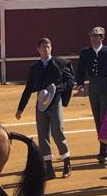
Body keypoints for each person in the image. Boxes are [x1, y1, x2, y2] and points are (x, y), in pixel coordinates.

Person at [16, 37, 75, 180]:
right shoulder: (35, 67)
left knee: (57, 132)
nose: (46, 49)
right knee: (42, 135)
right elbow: (29, 88)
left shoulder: (60, 63)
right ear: (38, 49)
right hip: (41, 103)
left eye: (48, 47)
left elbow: (70, 82)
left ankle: (67, 162)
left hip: (55, 102)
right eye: (43, 47)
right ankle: (49, 167)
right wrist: (20, 108)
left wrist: (56, 89)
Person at [75, 26, 107, 165]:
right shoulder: (85, 53)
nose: (94, 39)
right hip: (93, 86)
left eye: (97, 36)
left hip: (106, 87)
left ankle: (104, 151)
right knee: (97, 118)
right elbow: (81, 70)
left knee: (104, 119)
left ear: (102, 38)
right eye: (92, 36)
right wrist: (80, 84)